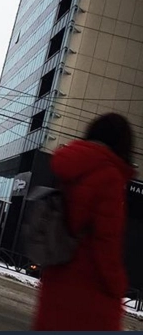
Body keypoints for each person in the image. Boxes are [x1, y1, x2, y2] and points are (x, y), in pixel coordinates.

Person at [32, 113, 135, 331]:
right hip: (89, 295)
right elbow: (106, 244)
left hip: (55, 280)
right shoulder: (109, 177)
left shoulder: (70, 169)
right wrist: (118, 286)